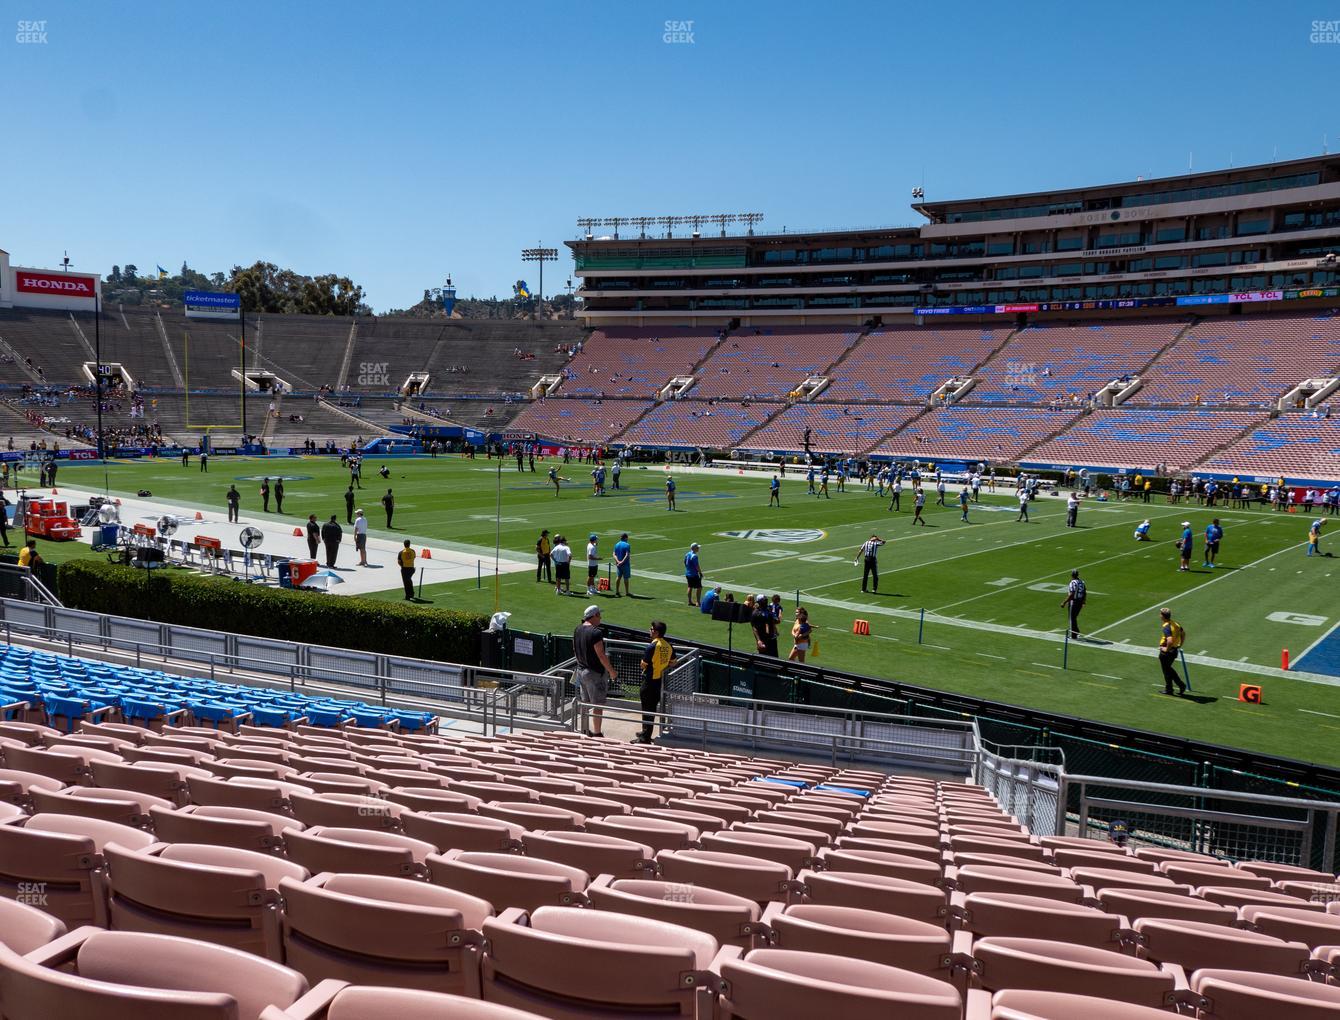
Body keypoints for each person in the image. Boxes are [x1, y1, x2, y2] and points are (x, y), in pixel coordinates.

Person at [573, 604, 615, 737]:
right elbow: (601, 655)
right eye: (599, 615)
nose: (601, 618)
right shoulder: (596, 632)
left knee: (585, 703)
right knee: (598, 705)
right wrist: (612, 672)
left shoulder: (577, 629)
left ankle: (584, 730)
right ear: (594, 616)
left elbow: (575, 650)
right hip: (594, 673)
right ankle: (597, 733)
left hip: (581, 671)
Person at [634, 620, 674, 744]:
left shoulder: (652, 646)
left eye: (651, 629)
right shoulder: (669, 645)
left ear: (656, 632)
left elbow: (643, 664)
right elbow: (673, 662)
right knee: (651, 709)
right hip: (659, 682)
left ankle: (645, 738)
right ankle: (645, 731)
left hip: (649, 682)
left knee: (647, 710)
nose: (649, 631)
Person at [1158, 608, 1186, 696]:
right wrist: (1180, 644)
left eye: (1160, 614)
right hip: (1174, 650)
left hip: (1167, 652)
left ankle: (1180, 685)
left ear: (1163, 616)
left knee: (1167, 670)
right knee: (1167, 670)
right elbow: (1183, 633)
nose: (1159, 615)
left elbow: (1169, 641)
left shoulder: (1166, 626)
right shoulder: (1176, 624)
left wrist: (1166, 649)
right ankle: (1169, 688)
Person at [1061, 569, 1087, 639]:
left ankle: (1073, 635)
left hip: (1074, 602)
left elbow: (1072, 594)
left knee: (1071, 618)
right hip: (1080, 601)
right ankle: (1076, 631)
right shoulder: (1082, 582)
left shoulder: (1073, 582)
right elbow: (1084, 592)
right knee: (1074, 617)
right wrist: (1083, 602)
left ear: (1072, 575)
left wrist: (1064, 602)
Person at [613, 532, 632, 597]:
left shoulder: (617, 544)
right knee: (626, 578)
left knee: (618, 577)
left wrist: (618, 561)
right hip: (625, 564)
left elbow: (614, 554)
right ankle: (627, 592)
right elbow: (627, 555)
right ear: (626, 538)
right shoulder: (627, 545)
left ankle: (617, 591)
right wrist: (622, 562)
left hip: (618, 565)